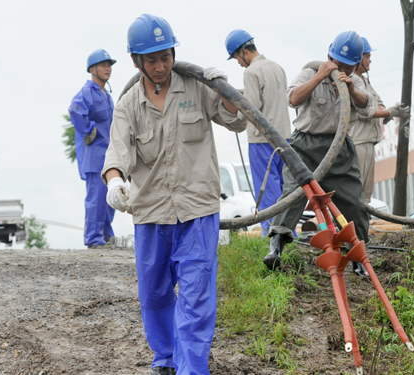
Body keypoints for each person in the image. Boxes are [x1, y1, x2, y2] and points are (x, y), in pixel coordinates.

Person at [102, 14, 246, 375]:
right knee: (155, 294)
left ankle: (191, 368)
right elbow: (116, 153)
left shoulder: (196, 86)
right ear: (136, 61)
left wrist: (226, 92)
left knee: (197, 296)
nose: (161, 66)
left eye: (166, 56)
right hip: (151, 213)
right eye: (152, 60)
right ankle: (165, 358)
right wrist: (115, 183)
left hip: (197, 211)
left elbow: (238, 120)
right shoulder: (128, 105)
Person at [264, 31, 371, 275]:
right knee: (293, 193)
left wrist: (351, 90)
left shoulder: (355, 81)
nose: (340, 69)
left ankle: (357, 257)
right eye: (336, 63)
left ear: (356, 66)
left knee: (354, 202)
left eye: (347, 66)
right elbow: (292, 98)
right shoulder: (310, 73)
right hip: (305, 147)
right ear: (328, 57)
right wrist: (321, 76)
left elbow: (365, 105)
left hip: (339, 149)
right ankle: (276, 247)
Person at [225, 29, 292, 236]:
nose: (238, 63)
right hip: (285, 138)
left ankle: (270, 236)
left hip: (261, 140)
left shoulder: (251, 72)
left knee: (267, 192)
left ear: (243, 51)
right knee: (284, 190)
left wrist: (233, 121)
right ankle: (288, 233)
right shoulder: (277, 67)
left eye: (237, 58)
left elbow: (251, 108)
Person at [349, 37, 410, 203]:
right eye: (367, 56)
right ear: (358, 58)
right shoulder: (352, 81)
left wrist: (387, 113)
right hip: (358, 142)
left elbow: (379, 103)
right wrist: (387, 113)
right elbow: (364, 111)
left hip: (368, 141)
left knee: (366, 193)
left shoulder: (365, 81)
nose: (370, 60)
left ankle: (362, 225)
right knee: (356, 192)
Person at [68, 49, 117, 249]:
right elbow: (75, 109)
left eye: (109, 65)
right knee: (96, 199)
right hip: (95, 155)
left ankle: (105, 236)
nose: (108, 69)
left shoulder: (106, 94)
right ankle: (93, 238)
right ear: (92, 69)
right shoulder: (88, 91)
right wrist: (89, 129)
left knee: (109, 198)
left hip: (108, 155)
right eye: (103, 65)